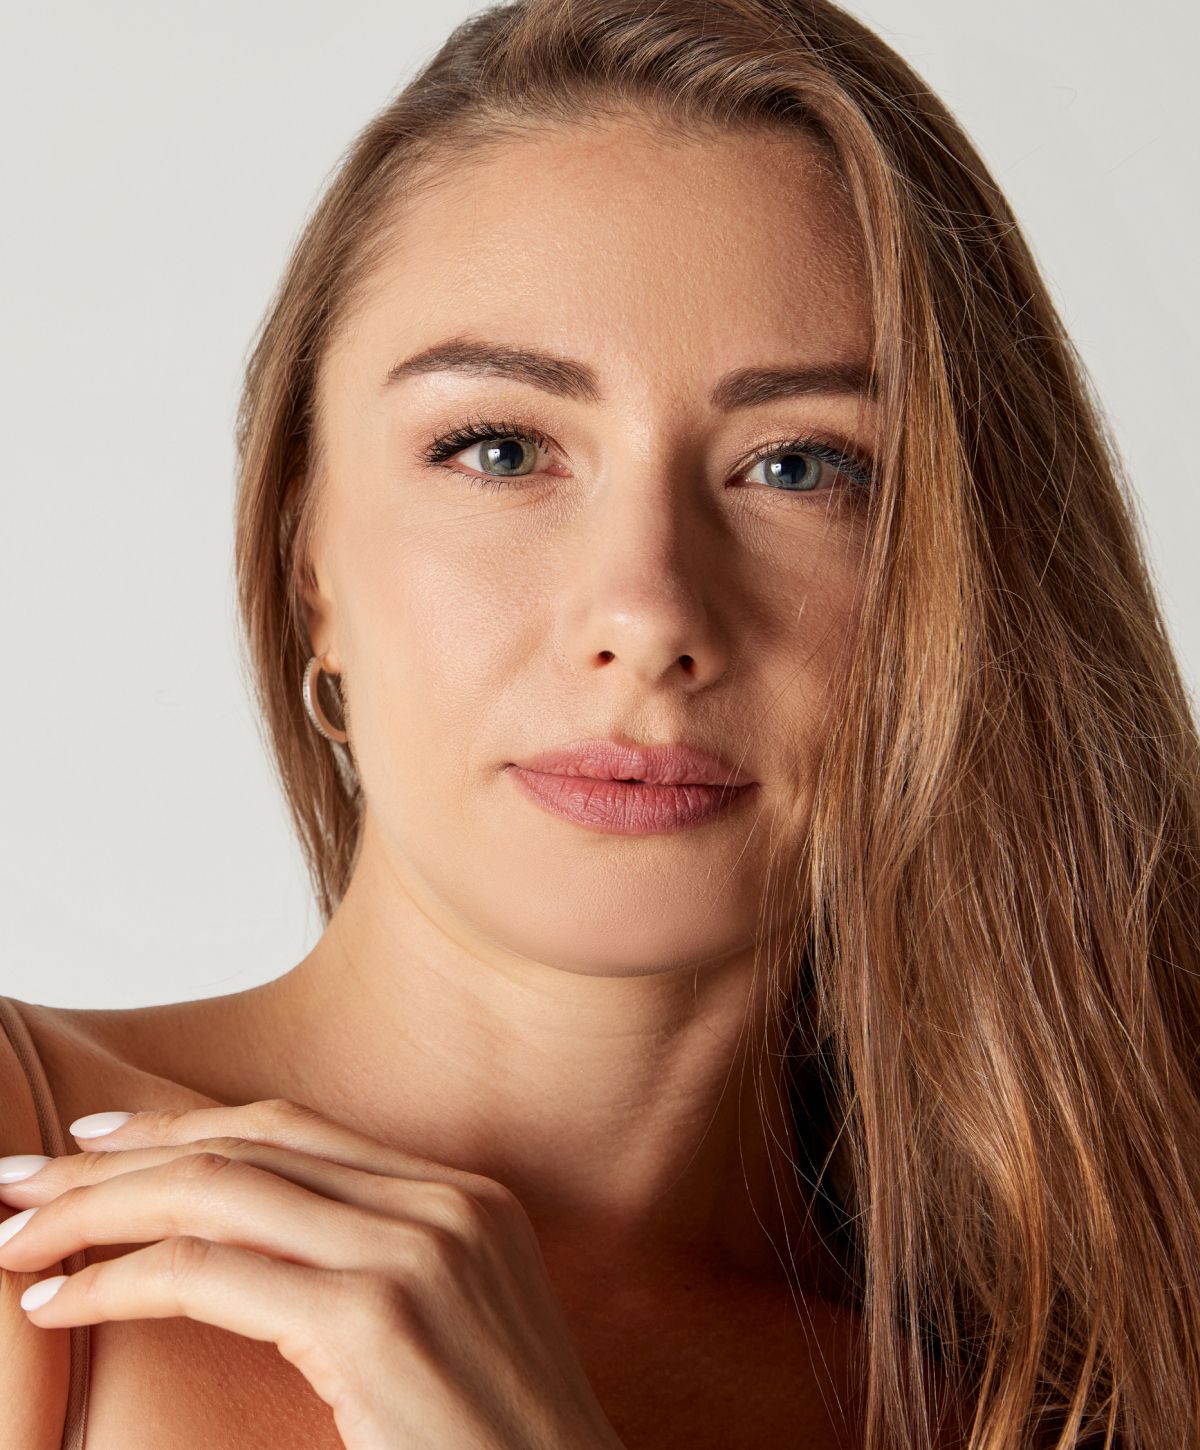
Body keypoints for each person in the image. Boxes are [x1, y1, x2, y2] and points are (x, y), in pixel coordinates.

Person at [2, 0, 1198, 1445]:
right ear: (308, 563)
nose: (648, 607)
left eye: (801, 465)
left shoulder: (1062, 1398)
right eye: (499, 447)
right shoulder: (33, 1187)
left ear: (966, 590)